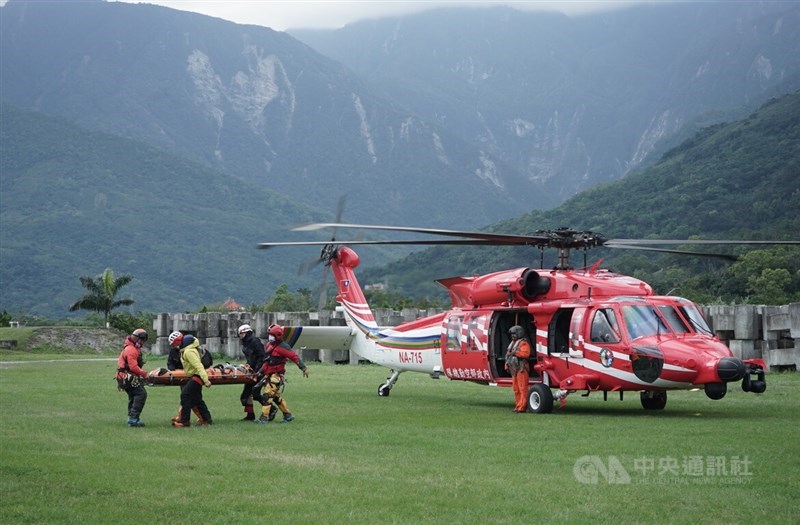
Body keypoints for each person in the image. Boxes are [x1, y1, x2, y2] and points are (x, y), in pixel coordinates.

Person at [254, 324, 309, 424]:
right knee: (276, 397)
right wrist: (260, 372)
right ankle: (288, 415)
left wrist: (303, 367)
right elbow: (267, 362)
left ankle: (264, 418)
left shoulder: (283, 347)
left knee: (267, 396)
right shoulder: (269, 346)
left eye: (272, 335)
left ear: (278, 335)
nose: (270, 337)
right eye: (269, 334)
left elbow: (294, 357)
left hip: (276, 376)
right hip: (268, 375)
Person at [168, 331, 213, 427]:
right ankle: (206, 419)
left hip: (197, 376)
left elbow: (198, 366)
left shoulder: (188, 351)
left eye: (173, 344)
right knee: (196, 399)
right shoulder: (186, 349)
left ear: (177, 342)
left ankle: (184, 421)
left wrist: (206, 380)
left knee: (185, 395)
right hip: (195, 376)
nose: (173, 346)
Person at [116, 328, 150, 427]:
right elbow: (133, 367)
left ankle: (132, 418)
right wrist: (145, 374)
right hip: (127, 376)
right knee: (141, 394)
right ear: (137, 339)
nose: (143, 343)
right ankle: (133, 419)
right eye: (143, 340)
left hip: (124, 376)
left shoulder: (132, 348)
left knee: (134, 395)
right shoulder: (131, 350)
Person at [236, 323, 269, 421]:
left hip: (258, 372)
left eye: (241, 334)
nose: (240, 336)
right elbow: (251, 358)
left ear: (247, 333)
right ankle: (250, 415)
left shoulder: (255, 342)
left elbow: (262, 357)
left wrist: (258, 370)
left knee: (255, 394)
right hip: (251, 371)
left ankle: (271, 410)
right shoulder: (247, 343)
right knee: (245, 396)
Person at [505, 325, 531, 413]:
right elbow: (508, 355)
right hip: (514, 369)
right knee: (516, 389)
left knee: (522, 388)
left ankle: (522, 407)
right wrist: (507, 365)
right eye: (512, 334)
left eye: (514, 334)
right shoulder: (512, 344)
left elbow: (526, 354)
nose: (512, 336)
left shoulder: (524, 343)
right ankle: (518, 405)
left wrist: (515, 352)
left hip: (521, 369)